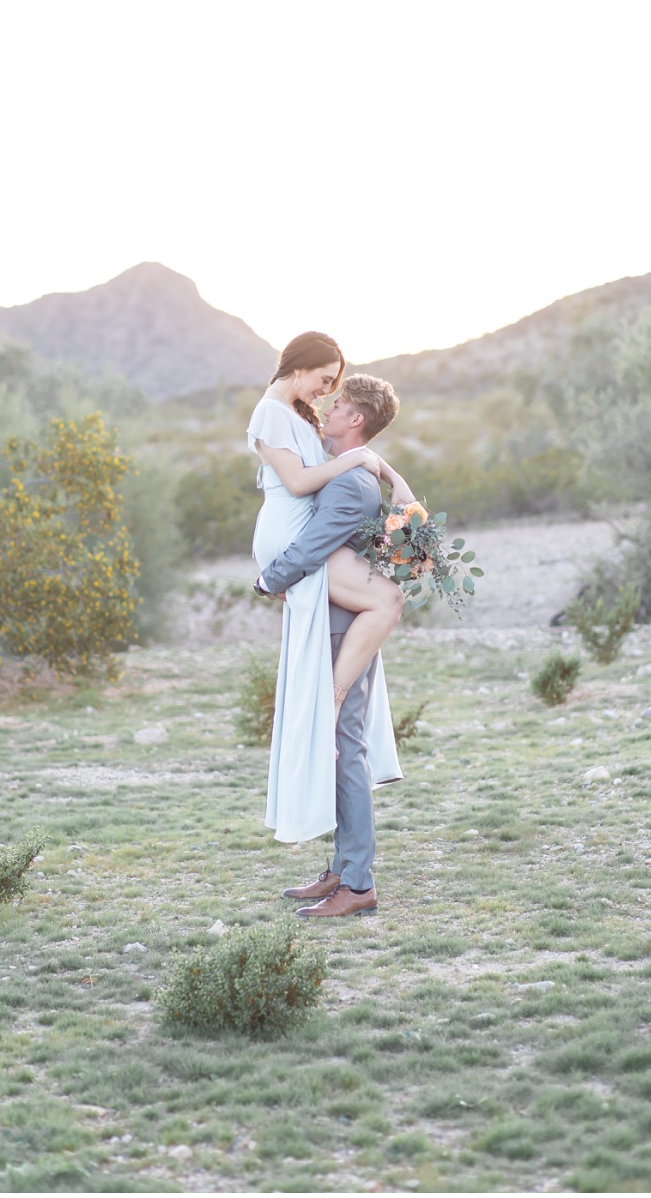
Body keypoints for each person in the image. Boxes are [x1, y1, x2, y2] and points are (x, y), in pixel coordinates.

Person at [253, 372, 413, 917]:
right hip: (338, 617)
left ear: (355, 421)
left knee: (344, 746)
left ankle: (358, 884)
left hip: (340, 625)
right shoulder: (354, 473)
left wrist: (269, 580)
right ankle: (344, 868)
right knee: (342, 745)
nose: (329, 407)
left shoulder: (349, 485)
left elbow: (314, 546)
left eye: (338, 402)